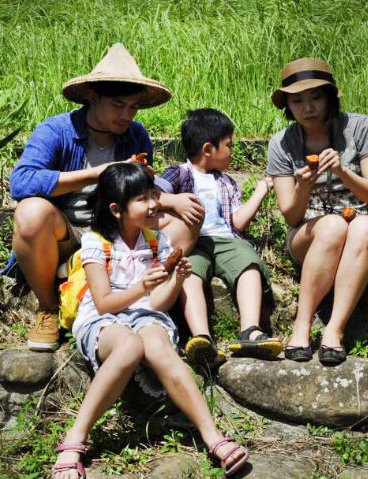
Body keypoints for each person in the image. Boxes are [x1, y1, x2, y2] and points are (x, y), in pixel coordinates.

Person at [51, 163, 248, 479]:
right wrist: (141, 286)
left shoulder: (158, 241)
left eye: (153, 194)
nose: (155, 203)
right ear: (117, 209)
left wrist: (175, 281)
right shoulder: (95, 242)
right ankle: (76, 437)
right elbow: (103, 302)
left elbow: (158, 304)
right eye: (143, 198)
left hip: (146, 313)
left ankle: (211, 435)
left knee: (158, 347)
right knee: (128, 347)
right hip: (103, 317)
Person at [6, 44, 199, 352]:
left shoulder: (136, 135)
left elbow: (139, 193)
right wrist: (99, 172)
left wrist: (167, 199)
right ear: (93, 98)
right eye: (118, 105)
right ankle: (47, 308)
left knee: (186, 223)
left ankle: (145, 299)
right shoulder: (56, 130)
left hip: (116, 232)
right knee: (31, 212)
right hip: (65, 232)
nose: (127, 115)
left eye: (133, 107)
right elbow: (22, 181)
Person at [266, 58, 368, 366]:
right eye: (298, 101)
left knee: (362, 226)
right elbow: (291, 217)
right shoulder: (282, 143)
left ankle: (334, 331)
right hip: (310, 234)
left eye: (316, 97)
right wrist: (303, 188)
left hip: (364, 229)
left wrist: (344, 172)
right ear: (288, 106)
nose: (308, 108)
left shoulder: (360, 127)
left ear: (331, 97)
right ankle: (301, 326)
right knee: (332, 225)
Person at [155, 108, 283, 365]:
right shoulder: (179, 173)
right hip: (192, 239)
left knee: (247, 263)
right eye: (228, 145)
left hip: (225, 239)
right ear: (208, 148)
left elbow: (238, 222)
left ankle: (250, 329)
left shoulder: (228, 182)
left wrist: (259, 192)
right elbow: (150, 195)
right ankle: (201, 337)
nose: (232, 151)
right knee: (188, 272)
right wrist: (175, 201)